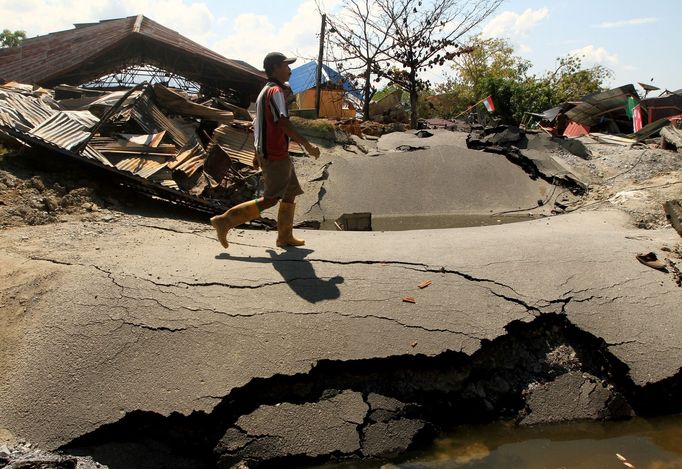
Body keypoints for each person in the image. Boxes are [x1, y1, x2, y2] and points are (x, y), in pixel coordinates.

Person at [210, 52, 320, 249]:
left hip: (274, 152)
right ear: (276, 67)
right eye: (286, 65)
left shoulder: (265, 91)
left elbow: (257, 124)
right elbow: (284, 123)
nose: (290, 70)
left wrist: (255, 153)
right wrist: (308, 145)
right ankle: (225, 221)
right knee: (271, 199)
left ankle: (284, 236)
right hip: (275, 153)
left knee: (290, 193)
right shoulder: (275, 92)